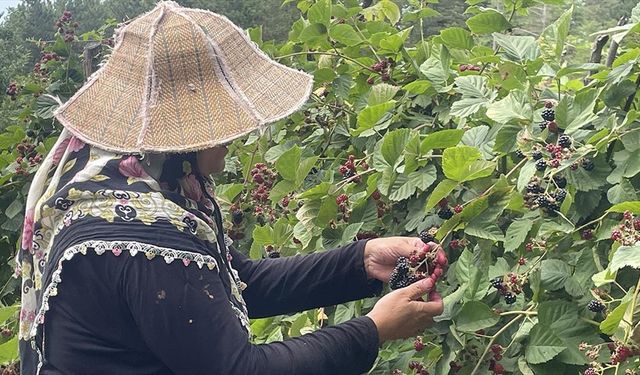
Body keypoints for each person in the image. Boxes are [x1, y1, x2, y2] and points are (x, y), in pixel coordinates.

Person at [17, 2, 444, 374]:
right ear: (184, 142)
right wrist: (372, 330)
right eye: (221, 128)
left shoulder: (131, 190)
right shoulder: (143, 237)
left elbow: (240, 281)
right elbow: (239, 369)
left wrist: (362, 261)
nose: (233, 138)